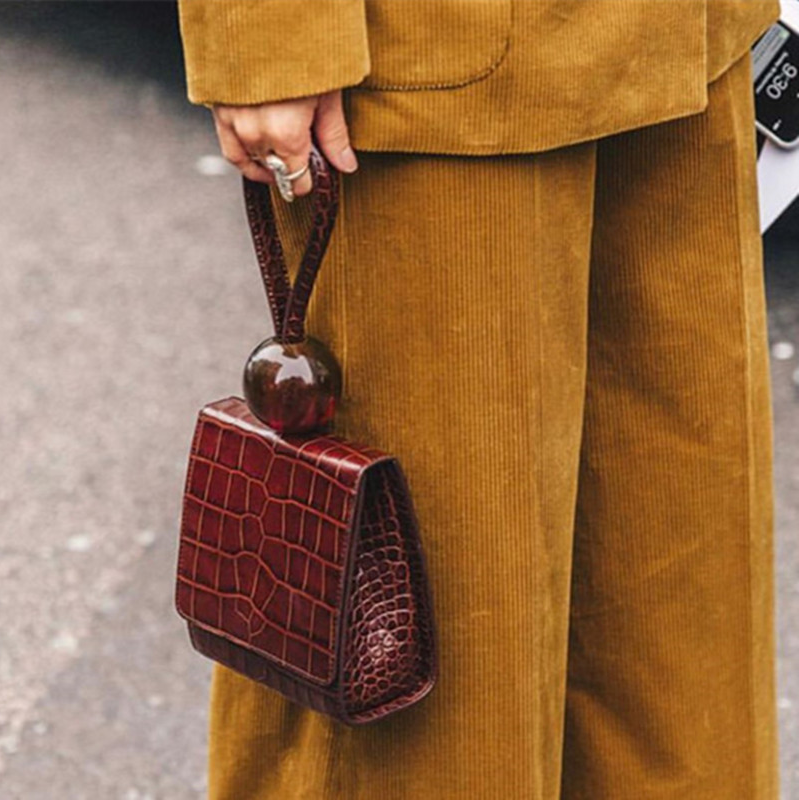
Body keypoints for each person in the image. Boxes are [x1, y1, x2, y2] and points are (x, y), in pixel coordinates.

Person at [175, 1, 783, 798]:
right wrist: (269, 38)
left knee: (671, 627)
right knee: (426, 668)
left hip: (683, 43)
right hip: (438, 65)